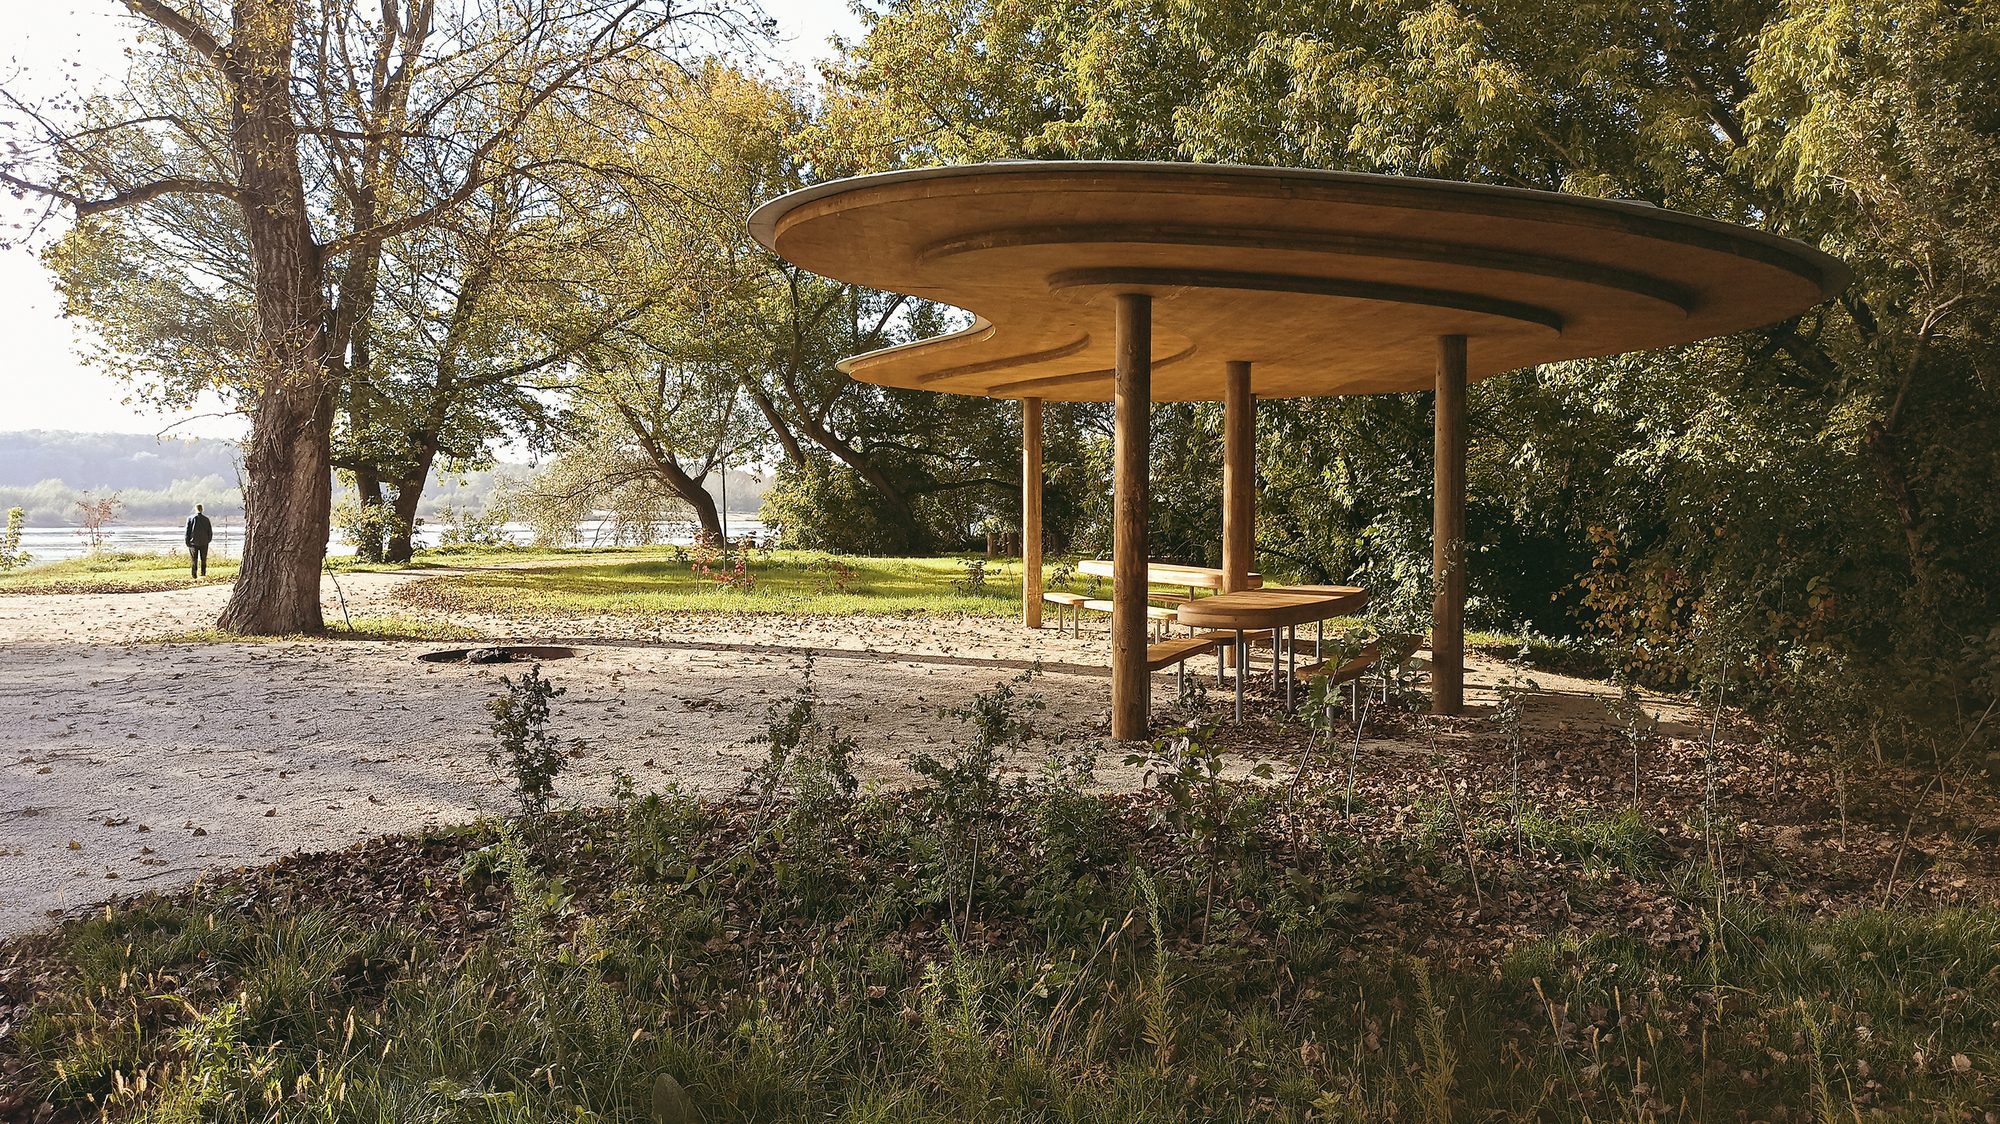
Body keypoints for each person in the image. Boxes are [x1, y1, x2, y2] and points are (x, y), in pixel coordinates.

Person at [185, 503, 214, 578]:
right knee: (203, 559)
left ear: (195, 509)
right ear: (202, 509)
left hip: (193, 542)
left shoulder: (190, 518)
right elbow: (210, 531)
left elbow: (187, 531)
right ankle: (203, 573)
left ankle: (194, 574)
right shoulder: (206, 519)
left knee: (194, 559)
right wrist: (208, 540)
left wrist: (187, 541)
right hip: (204, 542)